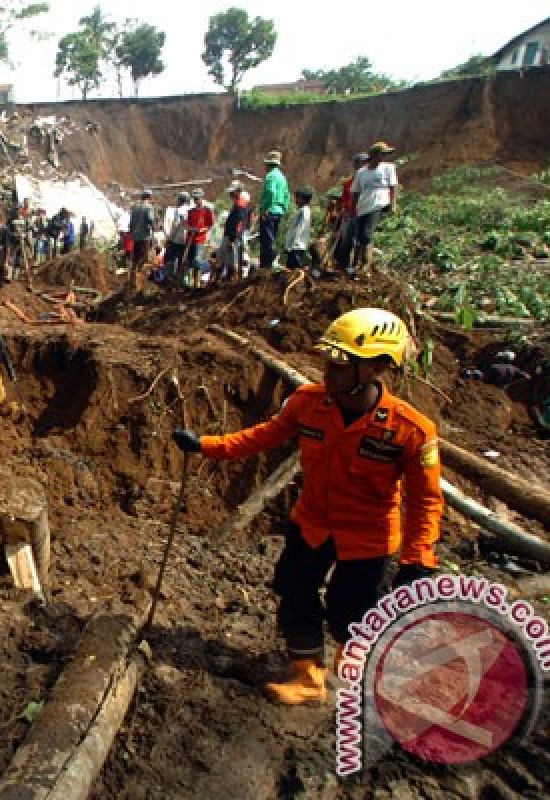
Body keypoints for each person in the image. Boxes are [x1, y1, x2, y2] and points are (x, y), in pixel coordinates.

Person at [171, 308, 443, 705]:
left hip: (368, 539)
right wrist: (206, 446)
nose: (328, 372)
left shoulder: (410, 430)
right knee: (294, 590)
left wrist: (418, 560)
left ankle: (351, 671)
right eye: (328, 362)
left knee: (351, 611)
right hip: (311, 524)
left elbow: (426, 500)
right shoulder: (308, 403)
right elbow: (262, 436)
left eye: (340, 365)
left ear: (374, 369)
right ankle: (308, 676)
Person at [351, 142, 399, 277]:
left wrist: (393, 204)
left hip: (379, 203)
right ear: (374, 155)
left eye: (385, 154)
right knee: (360, 236)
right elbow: (355, 191)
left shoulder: (388, 168)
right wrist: (353, 208)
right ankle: (358, 264)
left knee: (367, 234)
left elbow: (393, 186)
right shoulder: (361, 172)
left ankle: (366, 265)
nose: (383, 157)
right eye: (381, 154)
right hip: (364, 205)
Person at [334, 153, 370, 275]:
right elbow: (344, 200)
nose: (365, 166)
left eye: (366, 163)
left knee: (360, 241)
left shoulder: (368, 181)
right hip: (350, 215)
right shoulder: (348, 183)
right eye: (362, 163)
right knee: (346, 240)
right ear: (356, 165)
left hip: (363, 214)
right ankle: (343, 265)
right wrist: (344, 211)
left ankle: (356, 266)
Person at [258, 150, 290, 273]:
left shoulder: (271, 176)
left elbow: (270, 193)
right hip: (278, 211)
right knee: (272, 237)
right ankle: (269, 265)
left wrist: (264, 209)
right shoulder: (282, 177)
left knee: (266, 240)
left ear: (268, 165)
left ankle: (266, 267)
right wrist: (283, 209)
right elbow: (287, 195)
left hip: (269, 211)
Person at [218, 182, 252, 282]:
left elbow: (239, 222)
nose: (231, 194)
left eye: (233, 192)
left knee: (234, 258)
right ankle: (229, 278)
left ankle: (233, 279)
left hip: (234, 236)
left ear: (238, 191)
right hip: (232, 234)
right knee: (230, 258)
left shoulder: (240, 204)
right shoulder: (237, 203)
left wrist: (233, 237)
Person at [183, 188, 215, 288]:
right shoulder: (191, 212)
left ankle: (208, 268)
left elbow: (210, 225)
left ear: (201, 198)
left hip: (200, 240)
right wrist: (191, 229)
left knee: (197, 261)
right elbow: (186, 224)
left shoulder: (207, 211)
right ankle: (191, 284)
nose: (196, 200)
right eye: (195, 199)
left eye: (198, 198)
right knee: (190, 262)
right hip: (190, 239)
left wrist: (202, 230)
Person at [129, 190, 155, 289]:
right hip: (144, 237)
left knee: (135, 259)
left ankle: (131, 279)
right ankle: (138, 282)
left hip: (135, 237)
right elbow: (151, 220)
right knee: (143, 259)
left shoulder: (135, 208)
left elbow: (131, 224)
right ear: (149, 198)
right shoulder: (149, 208)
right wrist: (155, 228)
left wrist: (132, 233)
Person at [283, 187, 314, 271]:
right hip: (295, 246)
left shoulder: (304, 211)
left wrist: (293, 244)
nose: (295, 200)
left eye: (297, 197)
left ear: (302, 199)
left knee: (293, 270)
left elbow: (300, 228)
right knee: (290, 268)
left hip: (297, 246)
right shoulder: (302, 210)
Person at [165, 191, 191, 281]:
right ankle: (181, 279)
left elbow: (175, 225)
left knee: (170, 258)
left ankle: (169, 277)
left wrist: (170, 238)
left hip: (177, 239)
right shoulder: (191, 209)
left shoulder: (178, 210)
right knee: (182, 260)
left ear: (181, 200)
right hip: (187, 239)